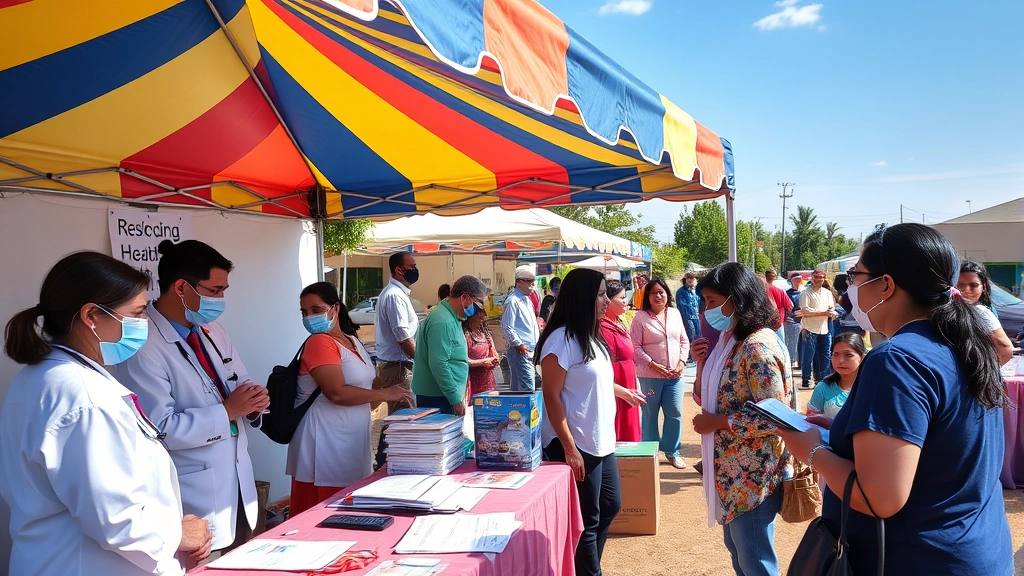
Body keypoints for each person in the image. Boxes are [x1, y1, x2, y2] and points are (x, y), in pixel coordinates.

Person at [779, 223, 1014, 576]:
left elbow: (880, 498)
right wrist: (845, 430)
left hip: (921, 558)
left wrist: (812, 451)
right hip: (977, 550)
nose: (851, 286)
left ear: (887, 284)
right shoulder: (967, 343)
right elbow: (940, 443)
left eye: (856, 275)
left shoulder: (896, 359)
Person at [0, 252, 212, 576]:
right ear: (92, 316)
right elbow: (116, 520)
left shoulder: (41, 378)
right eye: (137, 314)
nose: (145, 325)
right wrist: (179, 534)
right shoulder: (83, 397)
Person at [115, 240, 267, 562]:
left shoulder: (213, 331)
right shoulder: (142, 347)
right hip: (194, 498)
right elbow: (159, 429)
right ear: (182, 287)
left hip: (237, 485)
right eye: (214, 291)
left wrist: (254, 402)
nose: (221, 299)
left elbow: (240, 383)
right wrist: (227, 411)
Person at [690, 262, 793, 576]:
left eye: (712, 301)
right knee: (741, 556)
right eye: (704, 301)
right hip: (732, 477)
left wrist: (718, 423)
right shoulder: (728, 341)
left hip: (754, 477)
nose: (706, 309)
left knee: (756, 561)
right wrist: (701, 364)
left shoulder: (757, 347)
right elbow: (709, 397)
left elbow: (776, 417)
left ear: (737, 297)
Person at [289, 282, 413, 515]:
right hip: (324, 443)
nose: (308, 318)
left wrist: (389, 387)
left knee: (351, 511)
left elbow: (370, 392)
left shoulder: (352, 341)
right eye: (304, 312)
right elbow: (337, 392)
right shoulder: (319, 342)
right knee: (325, 517)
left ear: (335, 308)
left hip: (350, 441)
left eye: (316, 310)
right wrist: (386, 393)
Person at [535, 268, 620, 576]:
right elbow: (552, 395)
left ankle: (580, 568)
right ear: (583, 298)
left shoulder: (591, 336)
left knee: (610, 505)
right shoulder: (561, 340)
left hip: (599, 440)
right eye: (600, 294)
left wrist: (625, 392)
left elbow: (595, 381)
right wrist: (570, 448)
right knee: (588, 517)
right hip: (575, 442)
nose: (606, 300)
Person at [630, 277, 691, 469]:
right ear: (647, 296)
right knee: (649, 413)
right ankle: (650, 451)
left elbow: (684, 341)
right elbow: (635, 346)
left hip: (674, 376)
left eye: (661, 292)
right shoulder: (640, 317)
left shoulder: (674, 313)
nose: (658, 296)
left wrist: (681, 362)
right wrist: (653, 364)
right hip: (650, 375)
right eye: (654, 293)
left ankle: (672, 451)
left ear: (667, 294)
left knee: (675, 411)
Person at [412, 275, 488, 415]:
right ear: (464, 297)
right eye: (478, 303)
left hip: (444, 395)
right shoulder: (443, 321)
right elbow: (439, 363)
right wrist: (455, 399)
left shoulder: (450, 316)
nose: (479, 309)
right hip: (439, 398)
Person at [600, 280, 646, 442]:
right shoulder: (601, 326)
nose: (626, 301)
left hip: (628, 377)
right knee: (620, 425)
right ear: (609, 300)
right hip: (616, 380)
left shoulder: (618, 321)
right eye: (621, 298)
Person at [375, 252, 420, 414]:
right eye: (412, 267)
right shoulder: (394, 296)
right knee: (402, 419)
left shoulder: (396, 293)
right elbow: (403, 337)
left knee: (401, 417)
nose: (415, 270)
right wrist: (422, 361)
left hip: (399, 366)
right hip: (398, 368)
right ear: (399, 270)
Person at [958, 260, 1013, 365]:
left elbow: (1005, 348)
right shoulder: (952, 310)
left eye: (973, 285)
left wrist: (986, 375)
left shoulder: (981, 312)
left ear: (983, 286)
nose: (965, 290)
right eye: (960, 285)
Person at [806, 332, 865, 422]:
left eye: (848, 355)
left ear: (862, 357)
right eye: (835, 355)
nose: (841, 360)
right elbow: (810, 423)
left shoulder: (871, 388)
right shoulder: (823, 388)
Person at [501, 266, 540, 391]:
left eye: (533, 281)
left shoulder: (526, 300)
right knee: (526, 388)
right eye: (529, 281)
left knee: (520, 388)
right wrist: (519, 345)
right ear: (519, 281)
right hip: (520, 351)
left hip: (529, 350)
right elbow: (507, 327)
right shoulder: (513, 301)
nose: (532, 284)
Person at [797, 270, 837, 389]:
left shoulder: (827, 293)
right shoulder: (806, 293)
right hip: (809, 329)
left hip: (824, 328)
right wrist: (824, 313)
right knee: (808, 357)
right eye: (816, 277)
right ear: (812, 278)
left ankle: (821, 380)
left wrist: (831, 312)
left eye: (821, 278)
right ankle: (806, 380)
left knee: (825, 356)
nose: (818, 280)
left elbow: (832, 307)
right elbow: (805, 311)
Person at [464, 306, 499, 396]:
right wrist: (483, 362)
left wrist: (495, 360)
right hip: (471, 382)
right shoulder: (465, 335)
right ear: (471, 318)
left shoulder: (485, 333)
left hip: (487, 382)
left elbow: (494, 353)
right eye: (479, 318)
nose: (482, 321)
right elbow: (464, 361)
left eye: (483, 319)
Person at [764, 268, 793, 344]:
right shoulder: (781, 291)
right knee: (780, 348)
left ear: (765, 276)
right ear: (775, 277)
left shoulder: (760, 291)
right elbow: (790, 306)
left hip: (765, 324)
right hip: (778, 324)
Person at [784, 273, 803, 369]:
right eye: (796, 279)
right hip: (792, 322)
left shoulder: (804, 292)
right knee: (792, 344)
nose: (798, 281)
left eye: (799, 279)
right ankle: (790, 363)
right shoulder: (788, 293)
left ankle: (800, 364)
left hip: (805, 322)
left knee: (802, 345)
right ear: (791, 281)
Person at [675, 272, 701, 343]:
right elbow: (681, 306)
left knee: (698, 334)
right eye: (688, 278)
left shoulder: (697, 291)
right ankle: (689, 352)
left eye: (692, 278)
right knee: (691, 333)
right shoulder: (681, 291)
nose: (690, 280)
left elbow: (700, 302)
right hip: (687, 317)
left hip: (697, 316)